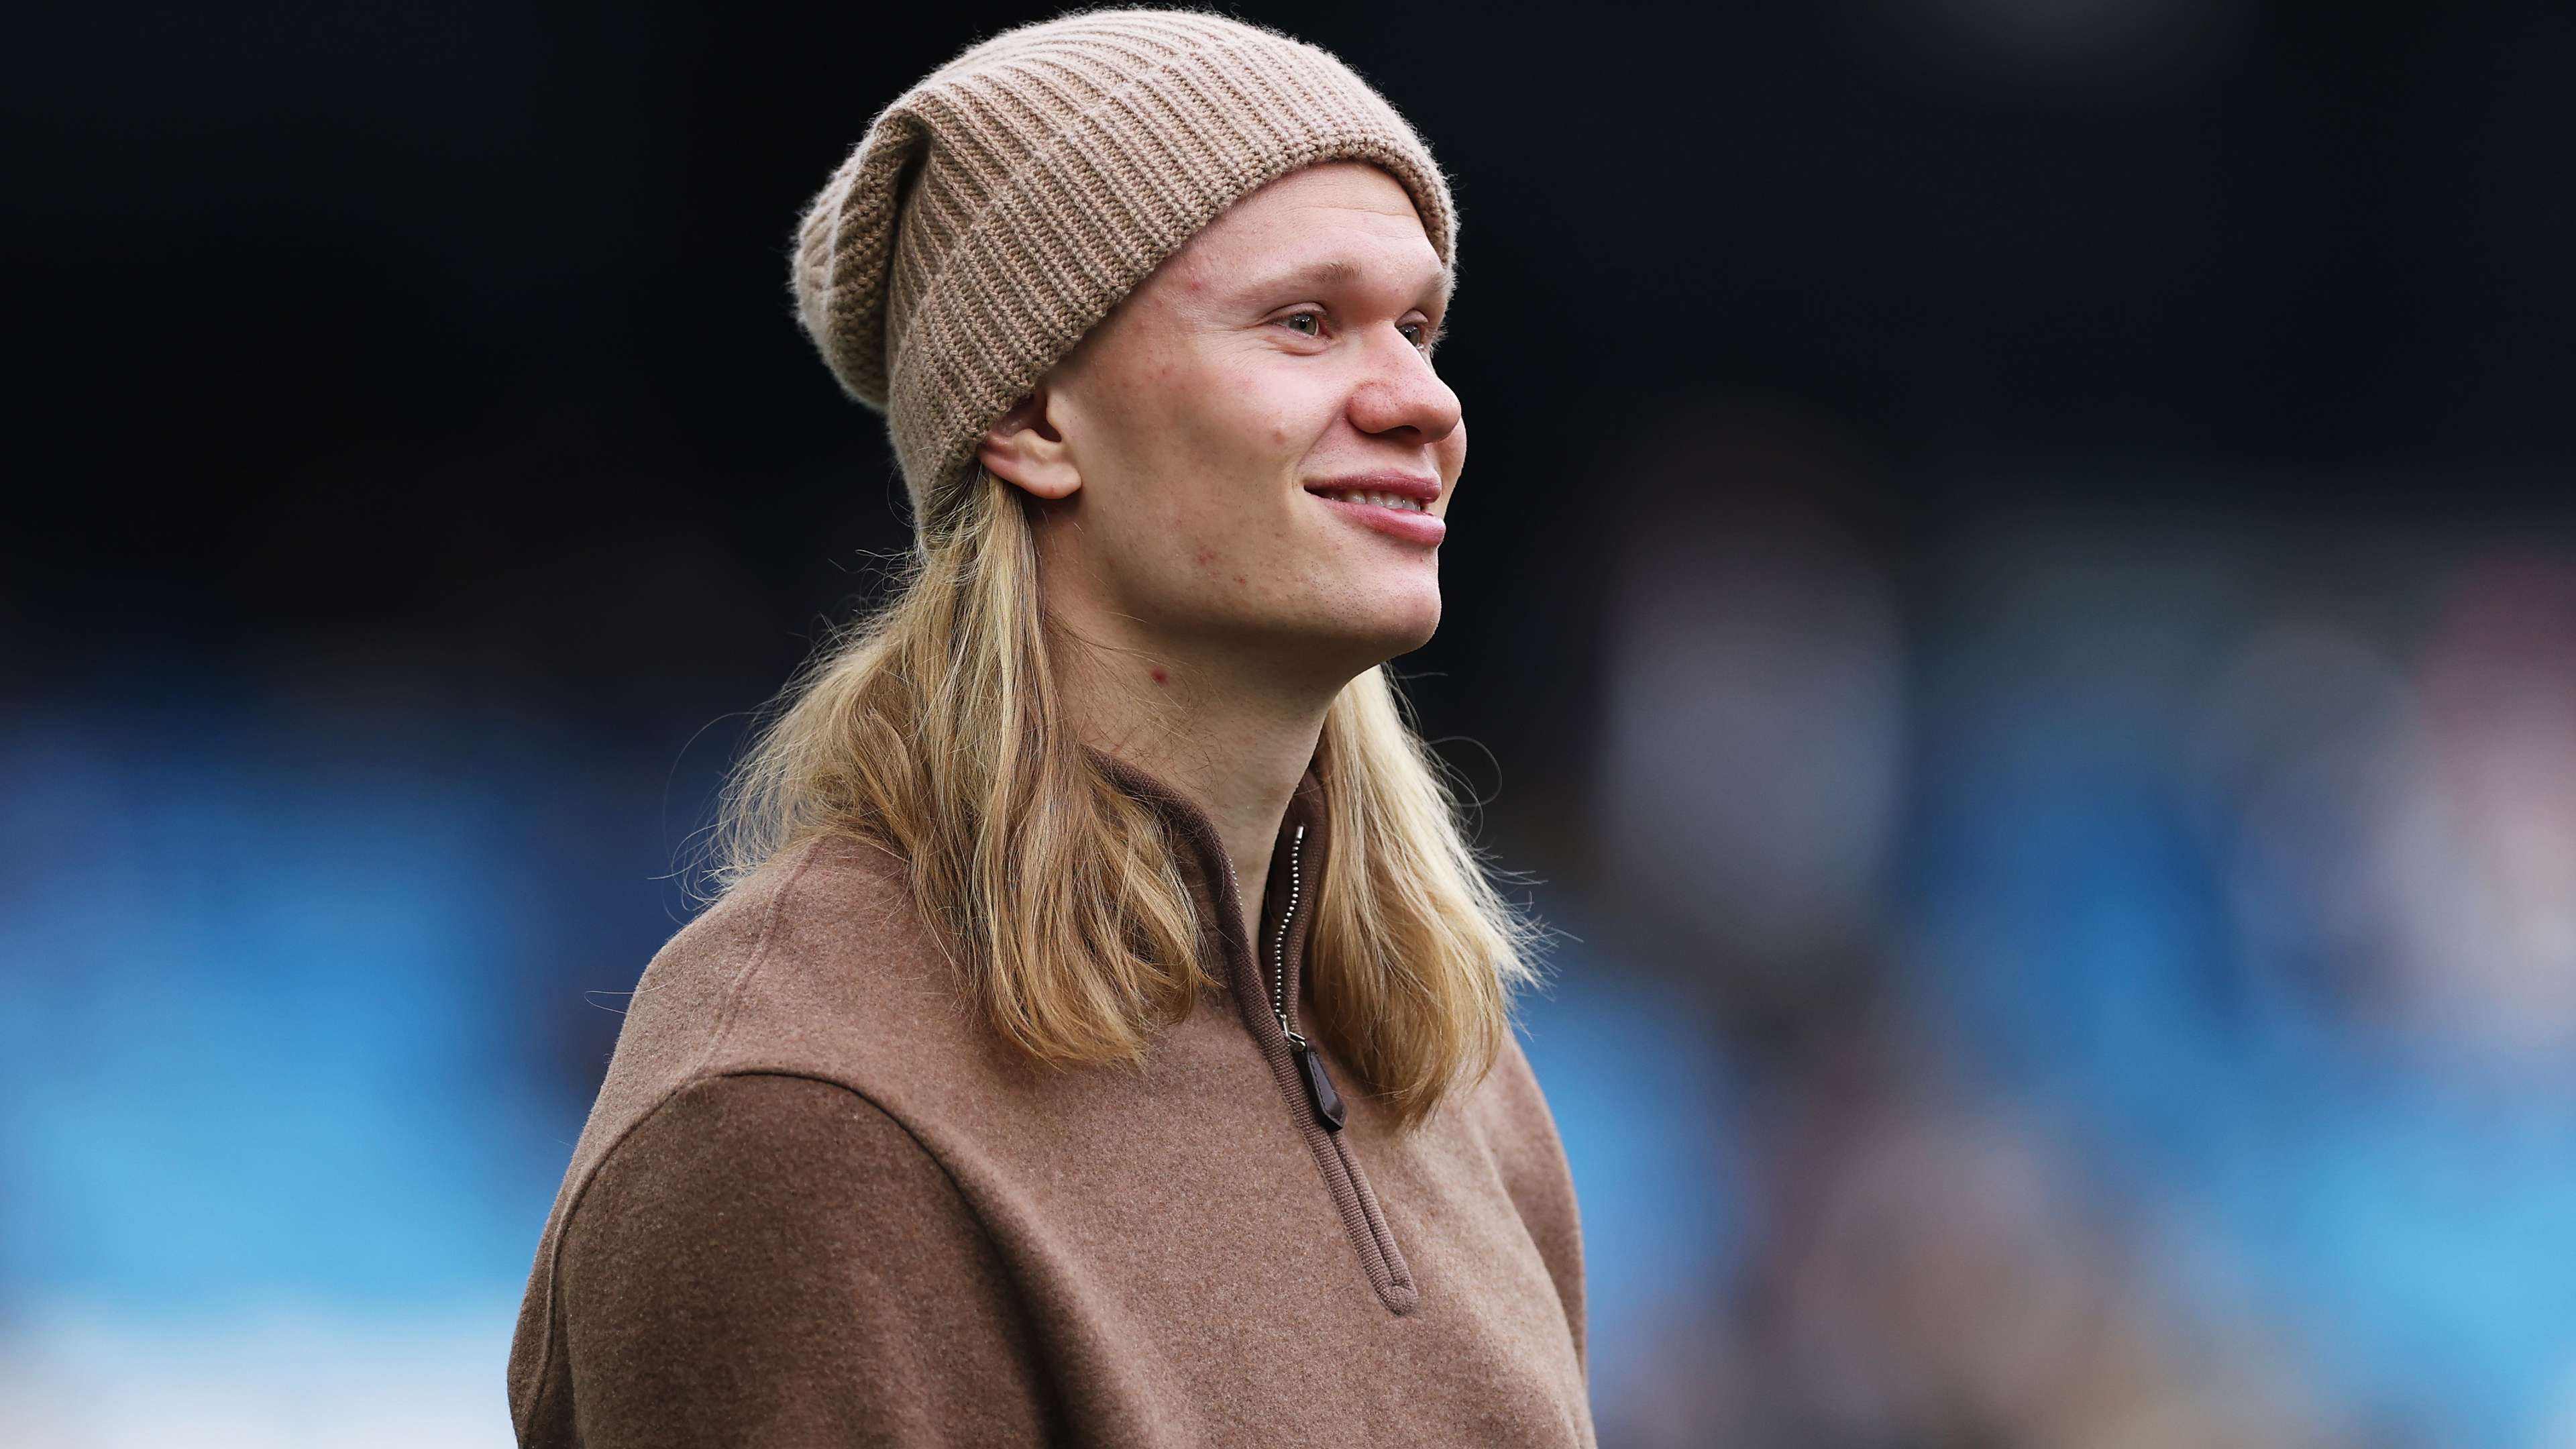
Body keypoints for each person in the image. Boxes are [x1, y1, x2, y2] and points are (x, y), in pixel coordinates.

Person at [504, 10, 1595, 1445]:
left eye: (1418, 327)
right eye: (1304, 322)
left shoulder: (1457, 1077)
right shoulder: (797, 1109)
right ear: (1032, 416)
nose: (1422, 401)